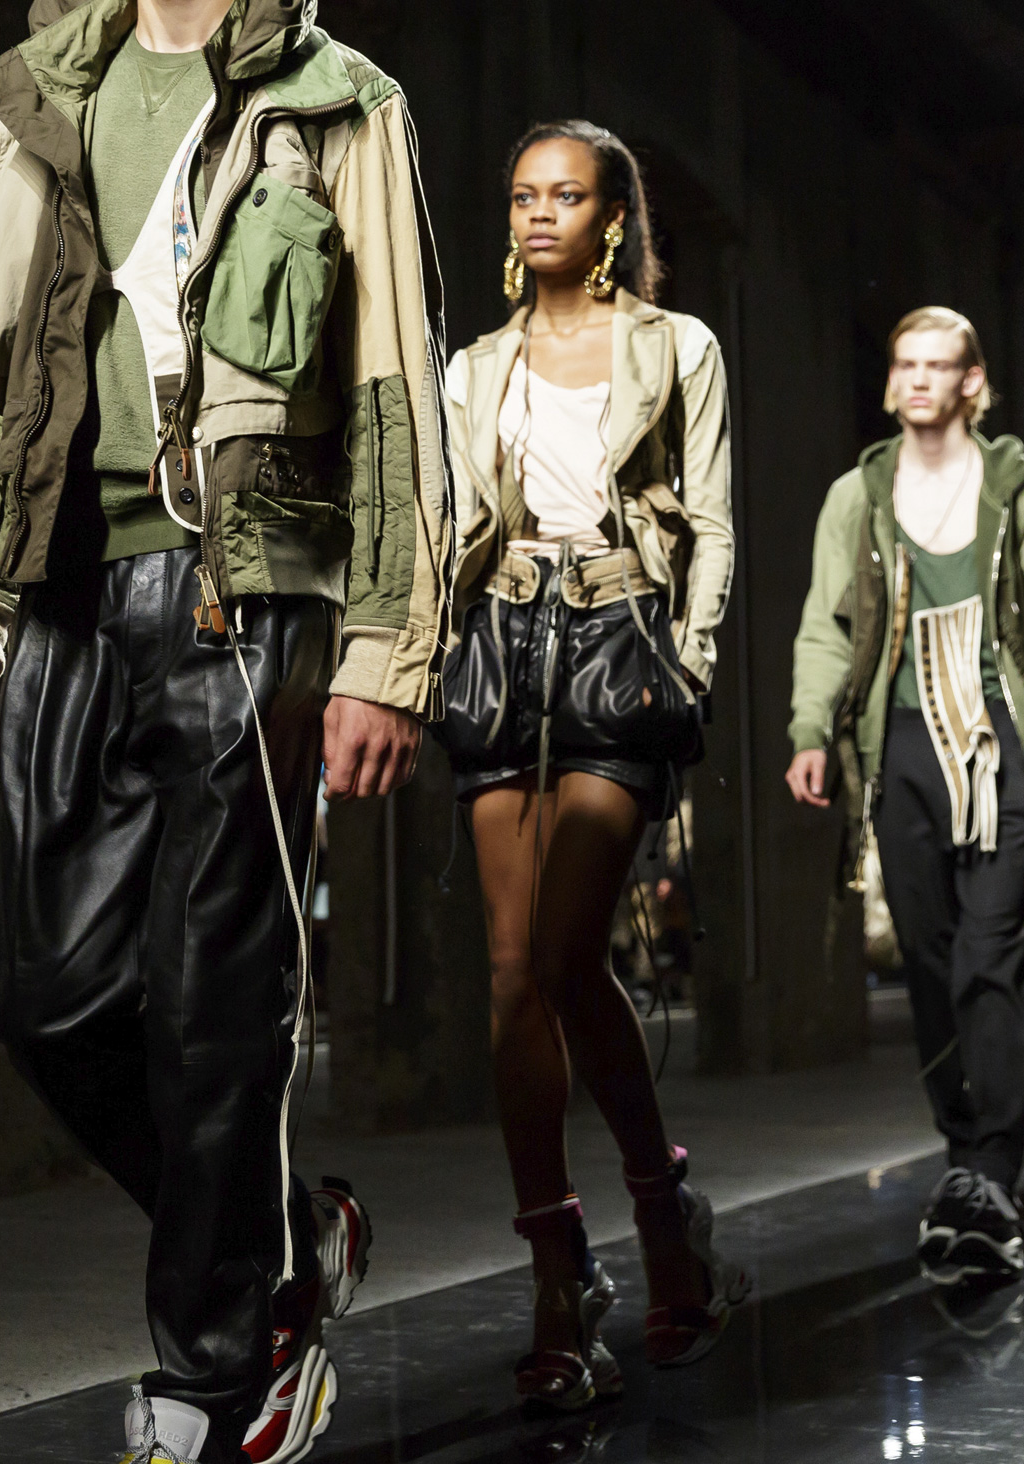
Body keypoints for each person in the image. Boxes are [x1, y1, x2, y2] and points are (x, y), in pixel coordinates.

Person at [0, 0, 447, 1464]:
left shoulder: (341, 104)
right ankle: (283, 1242)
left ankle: (226, 1373)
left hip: (251, 593)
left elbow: (396, 388)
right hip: (70, 586)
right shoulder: (47, 94)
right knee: (39, 995)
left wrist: (386, 647)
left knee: (220, 1005)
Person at [434, 119, 738, 1406]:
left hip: (620, 647)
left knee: (566, 953)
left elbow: (712, 518)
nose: (540, 214)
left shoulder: (678, 347)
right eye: (522, 196)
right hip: (502, 649)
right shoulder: (475, 365)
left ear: (614, 217)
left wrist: (693, 662)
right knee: (513, 978)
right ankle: (561, 1274)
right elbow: (448, 522)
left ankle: (661, 1205)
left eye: (566, 195)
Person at [787, 307, 1024, 1287]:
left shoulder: (1023, 489)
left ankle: (992, 1173)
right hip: (902, 747)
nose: (920, 379)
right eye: (906, 364)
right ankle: (962, 1151)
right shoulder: (857, 495)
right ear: (892, 381)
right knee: (928, 959)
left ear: (973, 382)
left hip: (1002, 747)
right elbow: (825, 625)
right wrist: (810, 730)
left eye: (939, 365)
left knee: (988, 955)